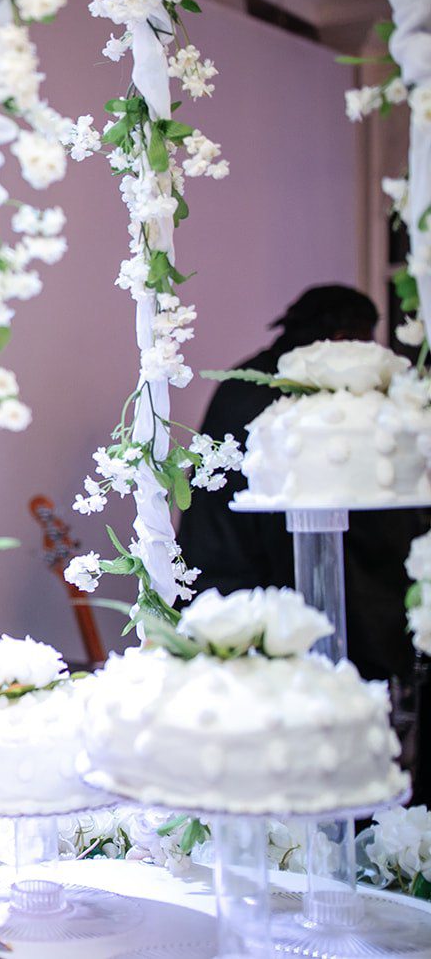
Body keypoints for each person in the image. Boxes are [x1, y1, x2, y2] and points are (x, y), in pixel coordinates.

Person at [178, 283, 430, 797]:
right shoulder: (292, 401)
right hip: (272, 587)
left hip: (218, 585)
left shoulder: (242, 382)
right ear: (341, 338)